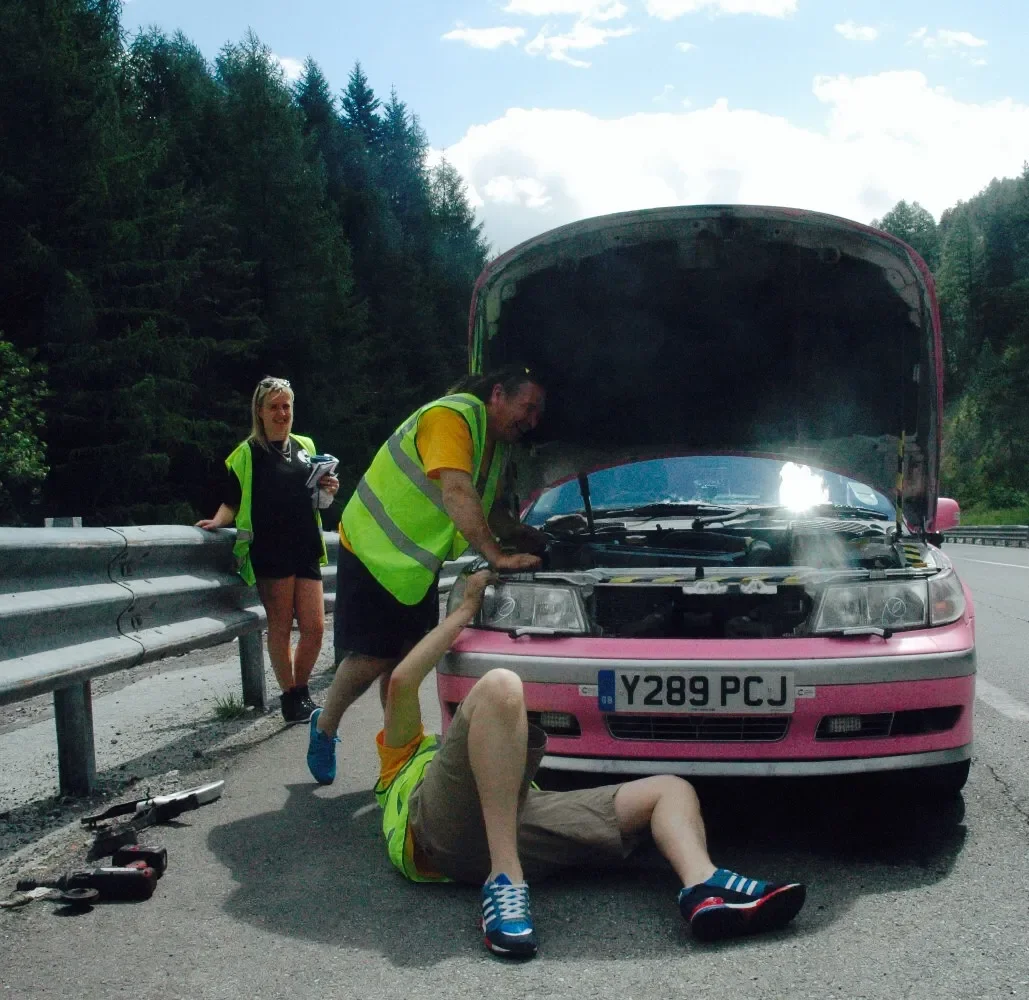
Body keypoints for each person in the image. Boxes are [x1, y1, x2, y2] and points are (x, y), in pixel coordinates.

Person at [374, 570, 807, 958]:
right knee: (501, 686)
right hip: (434, 834)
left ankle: (703, 885)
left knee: (670, 790)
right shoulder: (403, 758)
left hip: (513, 825)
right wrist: (467, 608)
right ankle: (505, 882)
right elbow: (401, 681)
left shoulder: (491, 776)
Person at [307, 366, 548, 784]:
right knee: (372, 657)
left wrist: (525, 536)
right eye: (526, 409)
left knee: (406, 660)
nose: (530, 421)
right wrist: (497, 556)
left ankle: (399, 755)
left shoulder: (493, 443)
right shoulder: (450, 419)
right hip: (370, 545)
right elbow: (456, 491)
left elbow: (487, 507)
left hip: (412, 563)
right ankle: (325, 726)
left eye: (536, 416)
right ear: (497, 395)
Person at [196, 376, 340, 724]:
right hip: (270, 548)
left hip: (306, 543)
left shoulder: (305, 445)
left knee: (315, 627)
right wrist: (217, 522)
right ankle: (292, 696)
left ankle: (300, 688)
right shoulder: (247, 453)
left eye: (286, 406)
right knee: (279, 626)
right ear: (259, 412)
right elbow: (232, 498)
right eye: (273, 407)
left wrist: (330, 488)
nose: (281, 413)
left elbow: (318, 496)